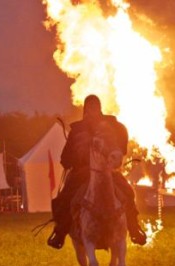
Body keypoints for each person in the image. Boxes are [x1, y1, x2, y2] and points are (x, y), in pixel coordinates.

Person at [48, 95, 147, 249]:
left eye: (95, 107)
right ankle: (60, 233)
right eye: (90, 108)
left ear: (99, 108)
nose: (92, 111)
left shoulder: (111, 127)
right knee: (65, 198)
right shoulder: (77, 131)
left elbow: (119, 149)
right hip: (82, 173)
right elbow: (65, 158)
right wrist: (74, 159)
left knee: (127, 192)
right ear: (86, 109)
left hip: (107, 172)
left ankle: (134, 229)